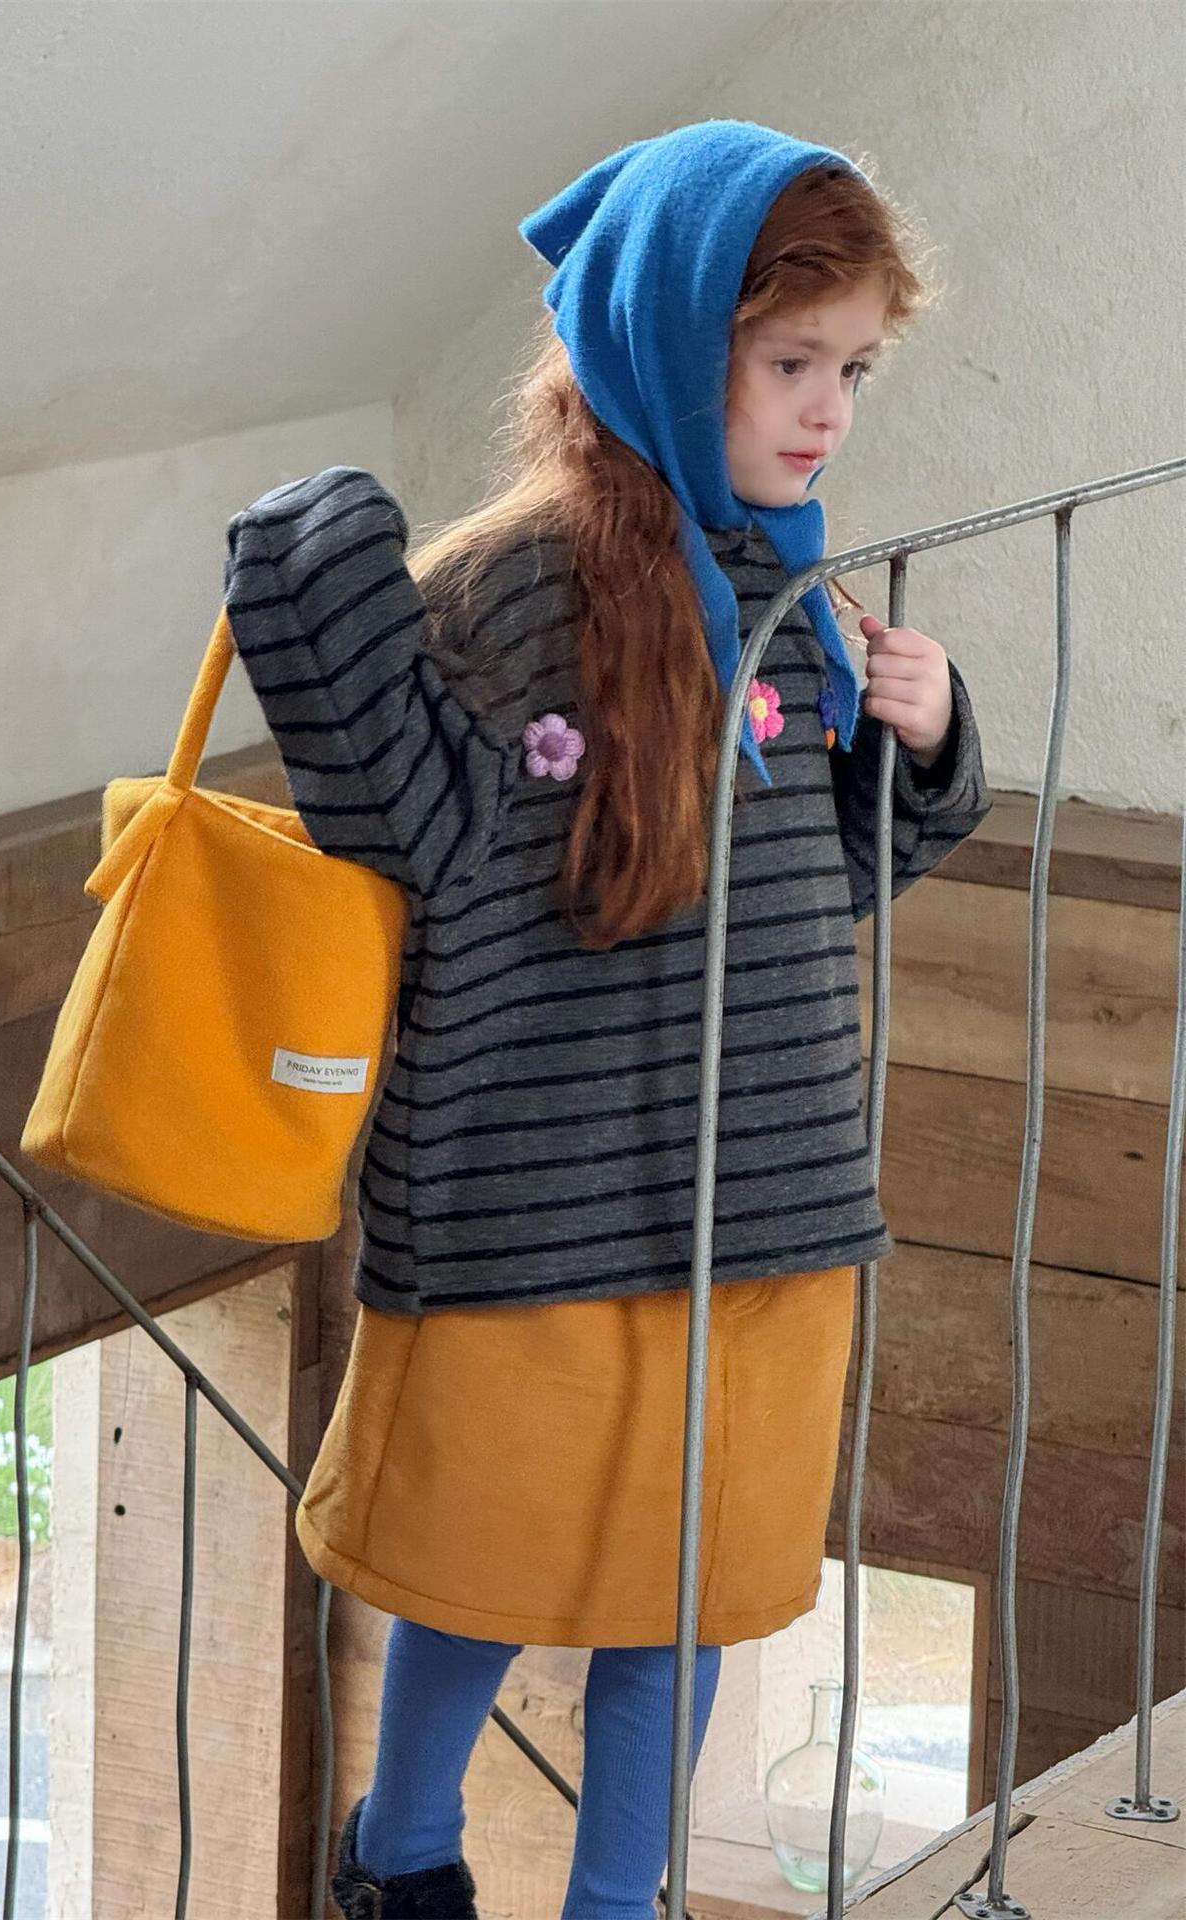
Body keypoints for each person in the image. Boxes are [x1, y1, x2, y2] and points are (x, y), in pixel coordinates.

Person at [222, 120, 991, 1920]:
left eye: (855, 371)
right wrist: (309, 556)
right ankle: (401, 1853)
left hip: (764, 1206)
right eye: (792, 363)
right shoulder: (503, 595)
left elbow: (823, 878)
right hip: (533, 1203)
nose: (830, 414)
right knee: (484, 1573)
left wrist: (934, 735)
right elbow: (395, 823)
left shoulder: (790, 601)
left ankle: (611, 1904)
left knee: (690, 1600)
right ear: (668, 336)